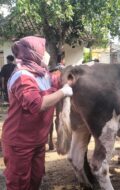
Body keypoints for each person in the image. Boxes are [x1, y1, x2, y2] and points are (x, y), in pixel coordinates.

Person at [1, 36, 73, 190]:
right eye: (43, 50)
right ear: (33, 53)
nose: (46, 53)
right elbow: (37, 105)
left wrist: (73, 74)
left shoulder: (41, 74)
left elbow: (57, 80)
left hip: (38, 141)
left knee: (36, 179)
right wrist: (63, 92)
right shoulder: (22, 76)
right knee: (19, 183)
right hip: (19, 142)